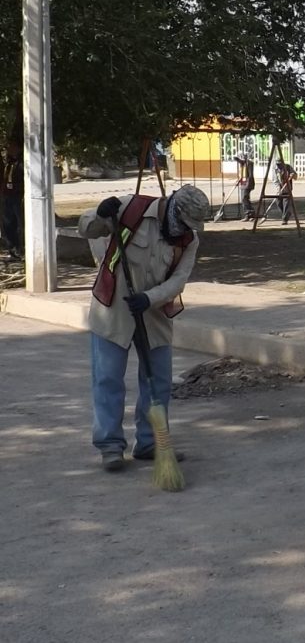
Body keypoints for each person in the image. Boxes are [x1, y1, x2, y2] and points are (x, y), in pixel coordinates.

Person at [78, 184, 210, 472]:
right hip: (112, 307)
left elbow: (178, 281)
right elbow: (86, 228)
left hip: (153, 311)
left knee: (157, 381)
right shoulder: (130, 208)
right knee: (108, 378)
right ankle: (110, 446)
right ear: (173, 207)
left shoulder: (189, 239)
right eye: (184, 223)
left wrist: (148, 298)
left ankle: (150, 443)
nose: (185, 231)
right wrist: (101, 216)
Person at [1, 139, 25, 259]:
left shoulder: (21, 163)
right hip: (7, 196)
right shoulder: (8, 163)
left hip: (17, 196)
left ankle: (21, 249)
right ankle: (12, 249)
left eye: (12, 147)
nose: (9, 150)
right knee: (8, 223)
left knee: (20, 223)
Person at [234, 153, 256, 221]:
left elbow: (250, 176)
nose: (238, 161)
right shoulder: (241, 164)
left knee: (244, 198)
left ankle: (251, 213)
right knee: (243, 199)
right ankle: (248, 214)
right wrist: (238, 180)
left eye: (239, 159)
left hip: (247, 184)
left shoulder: (249, 163)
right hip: (242, 184)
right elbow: (241, 175)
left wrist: (247, 184)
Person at [274, 160, 296, 225]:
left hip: (287, 189)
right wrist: (279, 189)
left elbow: (295, 176)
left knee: (286, 203)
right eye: (277, 164)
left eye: (280, 164)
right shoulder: (275, 169)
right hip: (280, 189)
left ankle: (284, 219)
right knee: (278, 202)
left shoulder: (288, 167)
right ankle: (287, 213)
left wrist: (292, 175)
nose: (279, 166)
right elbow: (275, 181)